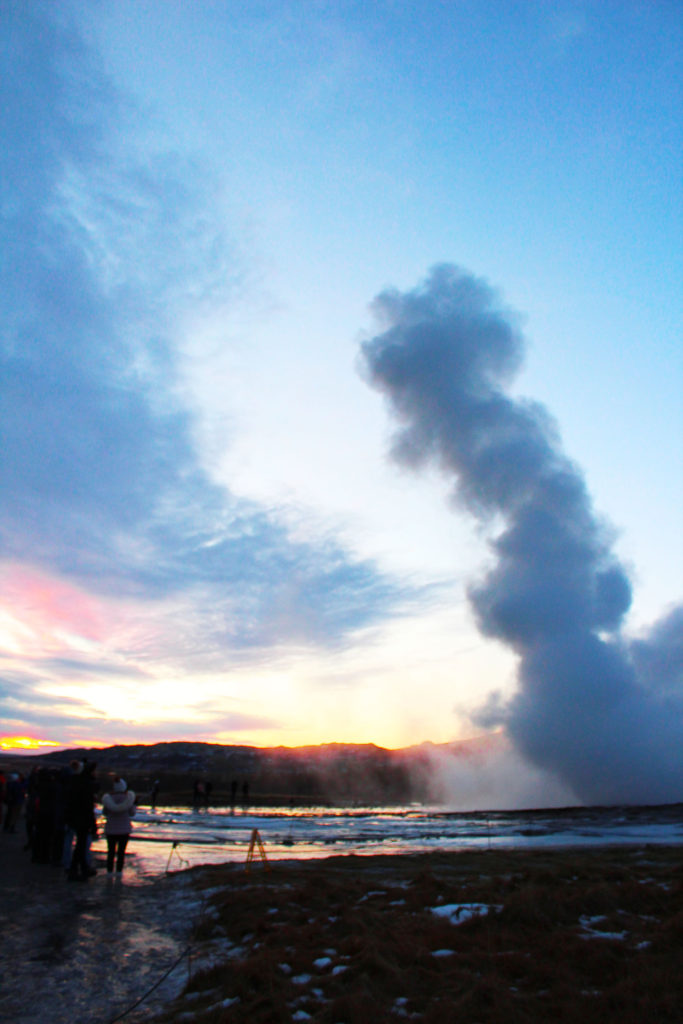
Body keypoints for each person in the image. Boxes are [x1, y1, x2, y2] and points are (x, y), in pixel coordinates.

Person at [102, 777, 136, 875]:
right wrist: (134, 805)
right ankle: (119, 871)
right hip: (124, 830)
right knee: (121, 852)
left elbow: (105, 812)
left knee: (111, 852)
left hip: (111, 830)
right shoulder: (128, 799)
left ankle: (109, 871)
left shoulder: (108, 799)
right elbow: (132, 813)